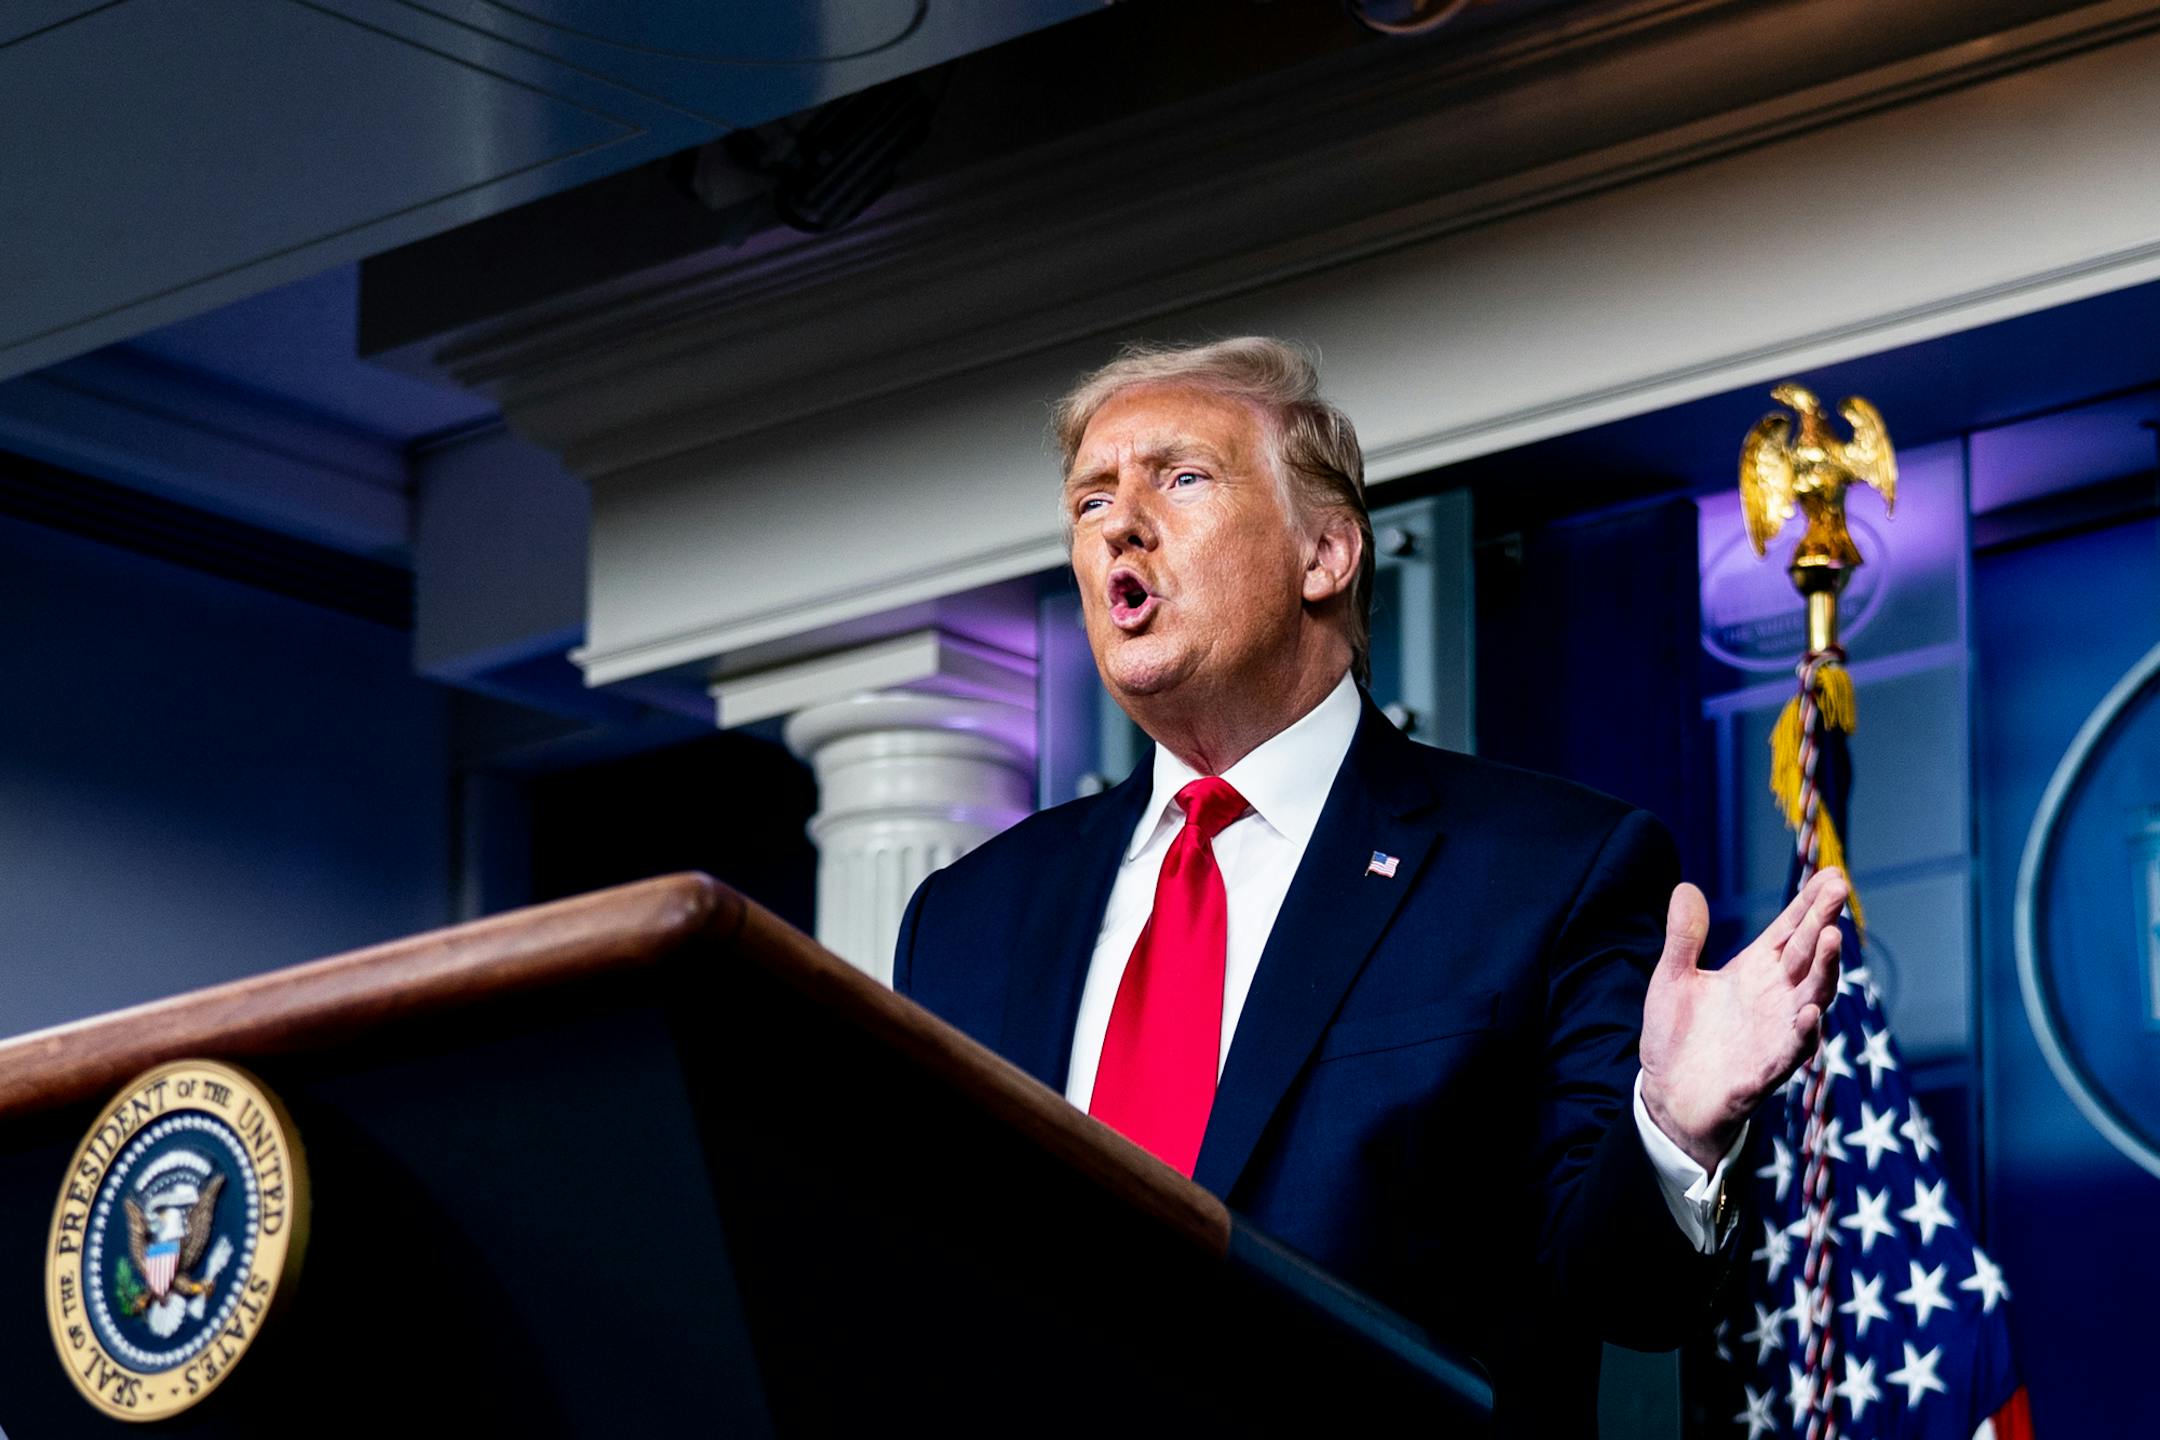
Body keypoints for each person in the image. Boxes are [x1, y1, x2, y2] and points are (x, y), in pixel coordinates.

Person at [893, 337, 1844, 1435]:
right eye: (1091, 499)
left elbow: (1623, 1295)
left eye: (1181, 477)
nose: (1121, 523)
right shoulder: (966, 920)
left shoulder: (1548, 870)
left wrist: (1673, 1133)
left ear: (1327, 554)